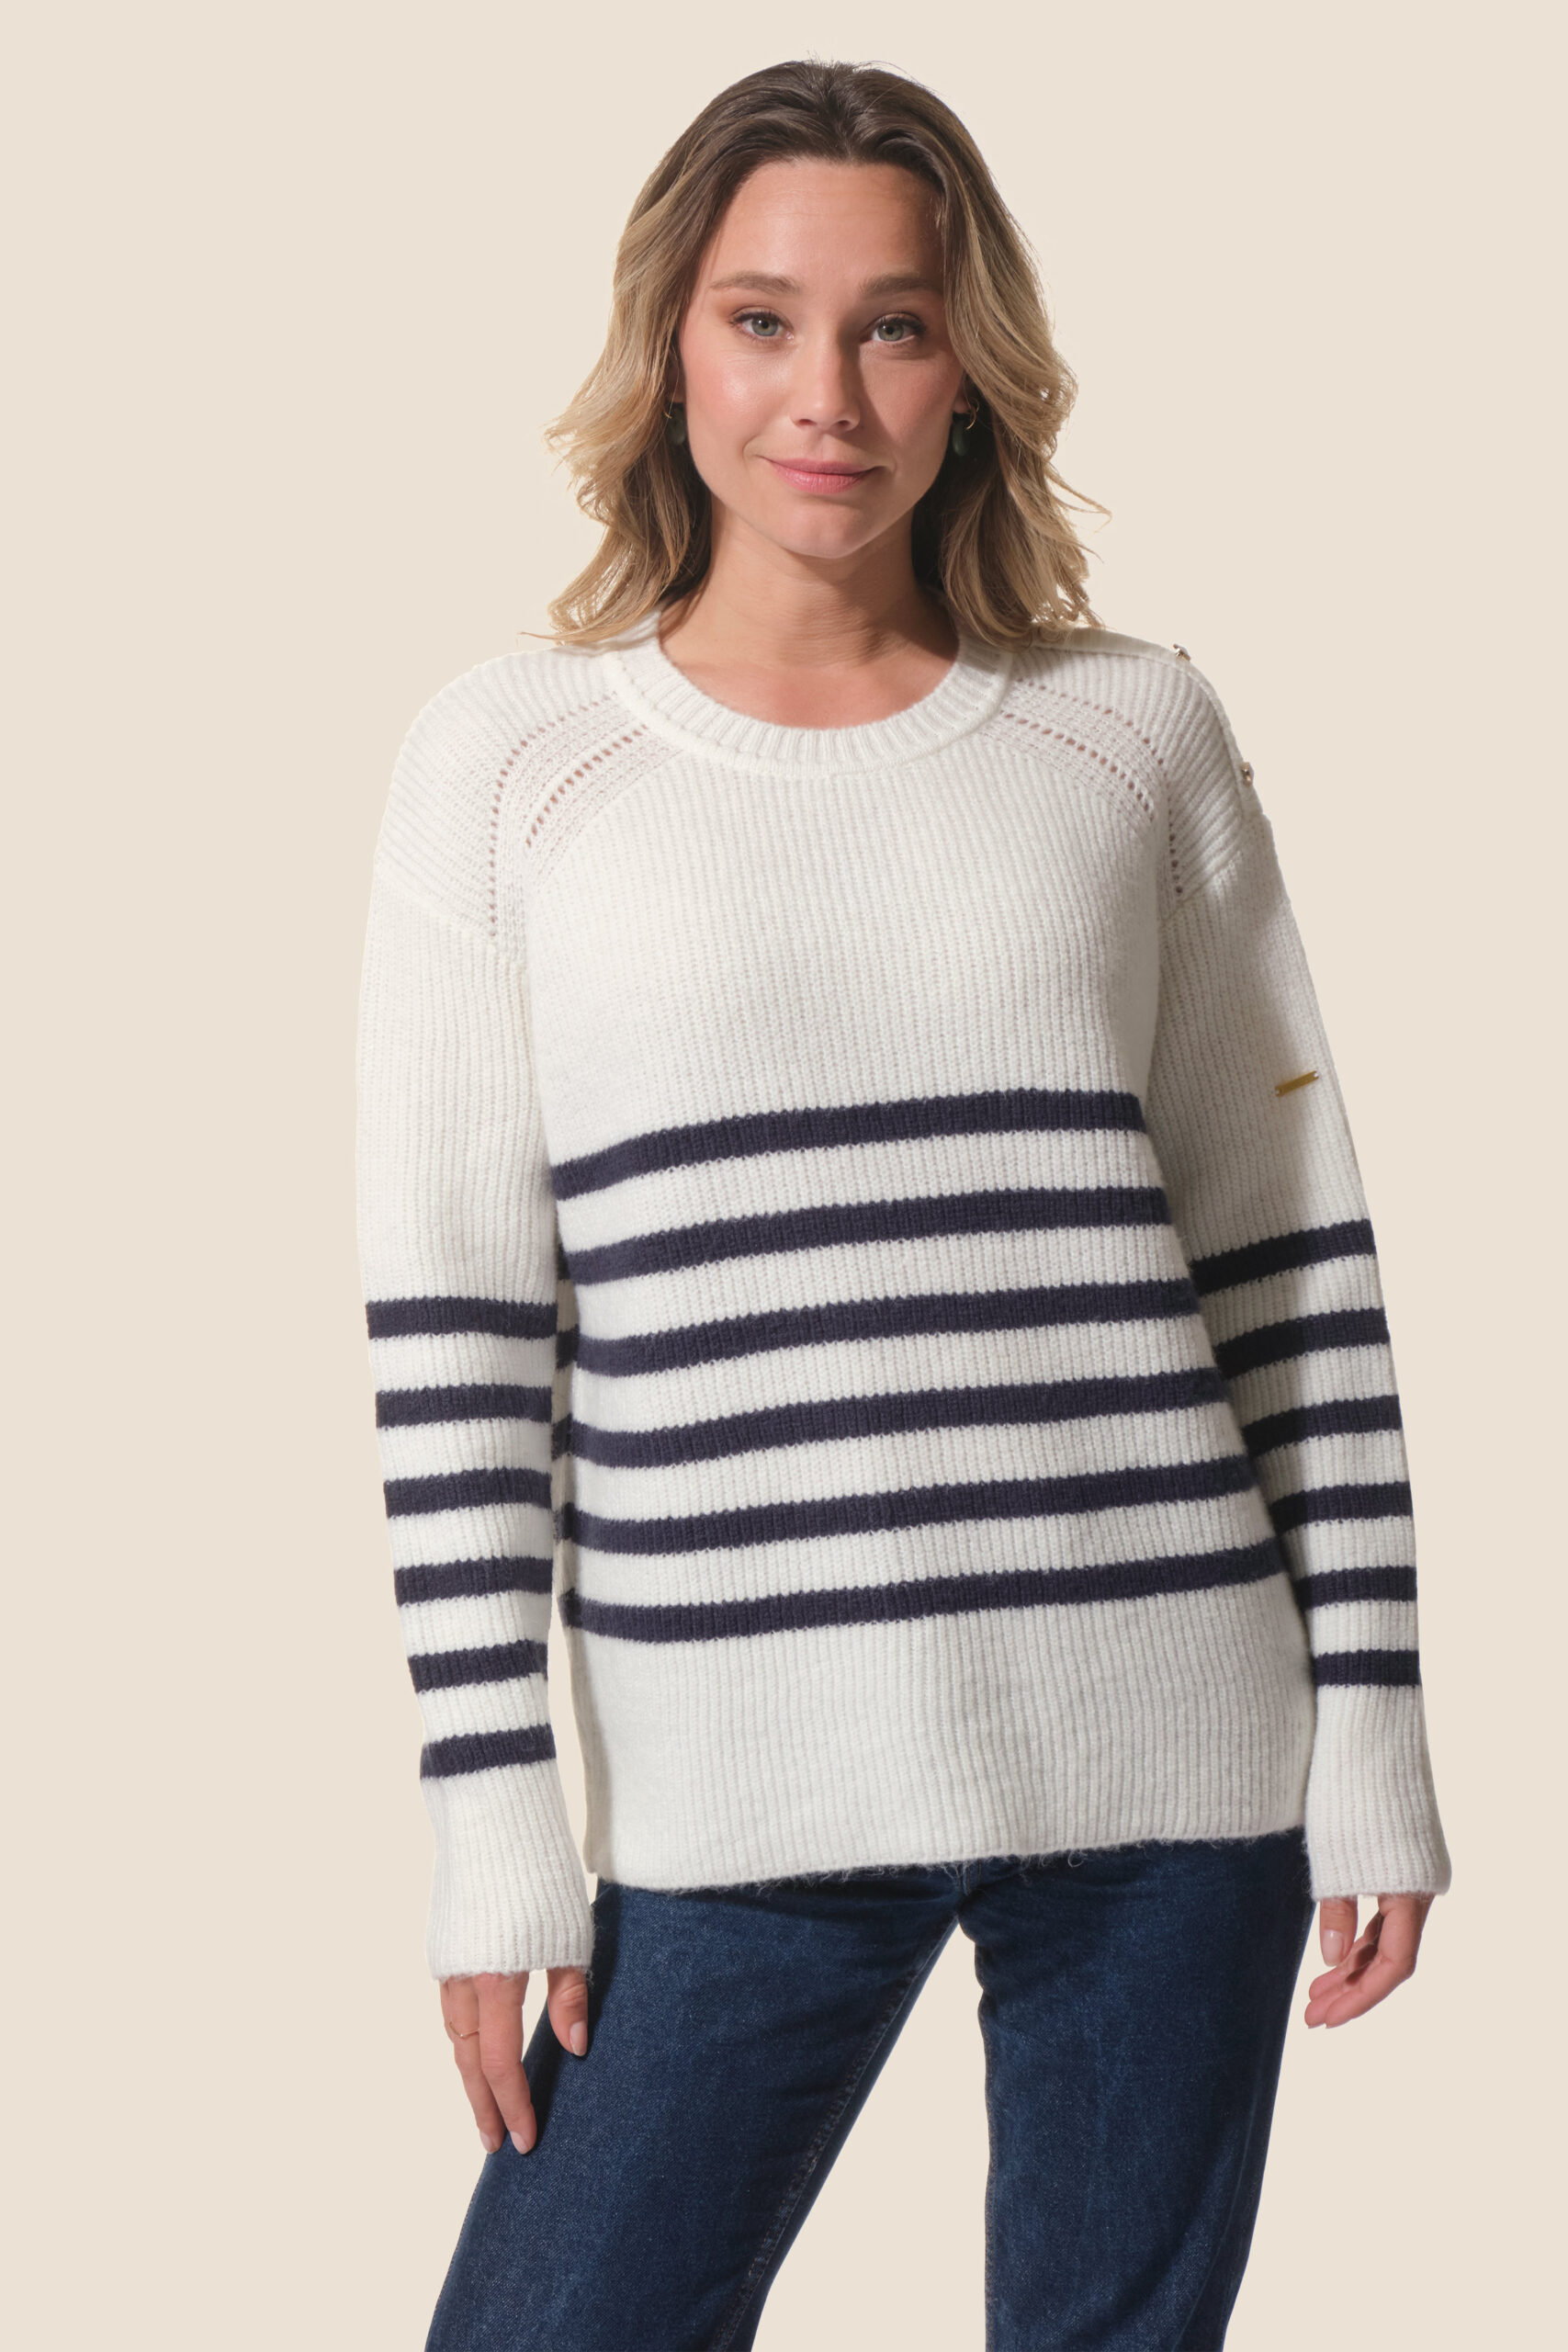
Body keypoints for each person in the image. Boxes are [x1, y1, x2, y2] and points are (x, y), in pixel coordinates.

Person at [355, 57, 1451, 2351]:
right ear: (671, 345)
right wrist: (493, 1818)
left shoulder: (1127, 734)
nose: (825, 396)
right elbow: (460, 1329)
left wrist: (1366, 1735)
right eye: (762, 319)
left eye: (894, 325)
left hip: (1174, 1761)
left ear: (973, 368)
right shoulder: (509, 764)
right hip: (736, 1772)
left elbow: (1286, 1262)